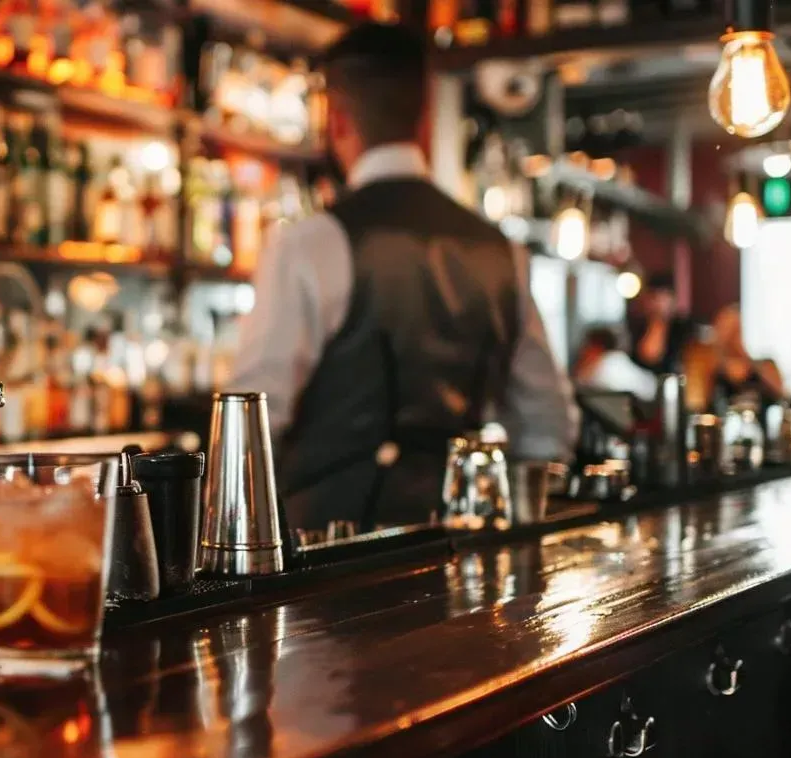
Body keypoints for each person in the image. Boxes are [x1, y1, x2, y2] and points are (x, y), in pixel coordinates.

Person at [225, 23, 575, 530]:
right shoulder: (501, 250)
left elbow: (252, 425)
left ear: (337, 120)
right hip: (465, 547)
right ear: (426, 119)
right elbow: (547, 424)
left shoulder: (310, 242)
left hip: (331, 558)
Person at [687, 304, 785, 411]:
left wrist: (751, 364)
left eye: (736, 330)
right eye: (725, 329)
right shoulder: (707, 370)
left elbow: (783, 396)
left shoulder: (765, 366)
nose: (730, 336)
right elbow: (695, 404)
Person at [628, 274, 694, 375]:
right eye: (653, 298)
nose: (658, 304)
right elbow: (645, 359)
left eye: (662, 298)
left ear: (673, 299)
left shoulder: (685, 328)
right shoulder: (636, 326)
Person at [572, 326, 658, 401]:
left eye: (587, 346)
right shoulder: (616, 361)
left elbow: (581, 382)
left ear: (597, 346)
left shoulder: (609, 365)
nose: (583, 351)